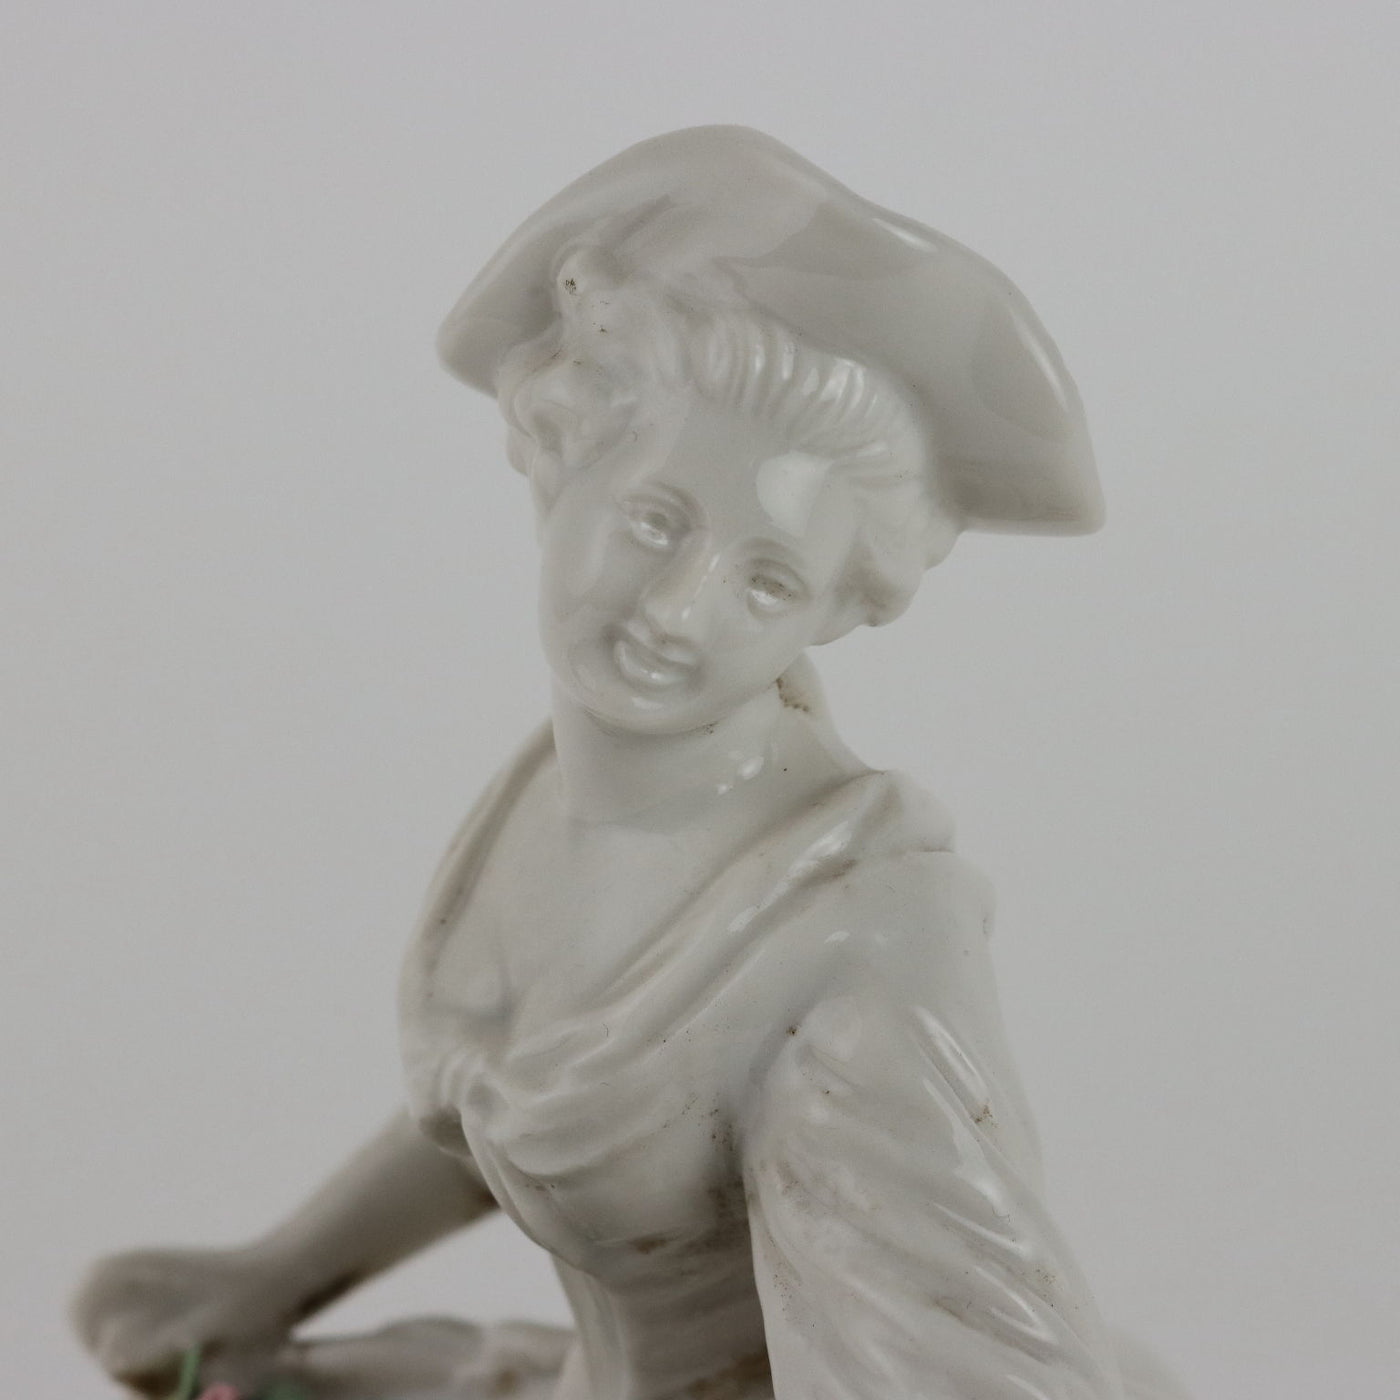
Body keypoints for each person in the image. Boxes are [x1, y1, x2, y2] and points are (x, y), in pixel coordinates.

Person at [73, 127, 1187, 1400]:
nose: (675, 610)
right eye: (656, 519)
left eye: (766, 579)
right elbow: (506, 1108)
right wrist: (267, 1277)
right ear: (563, 464)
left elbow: (952, 1356)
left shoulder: (852, 936)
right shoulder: (548, 800)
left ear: (832, 609)